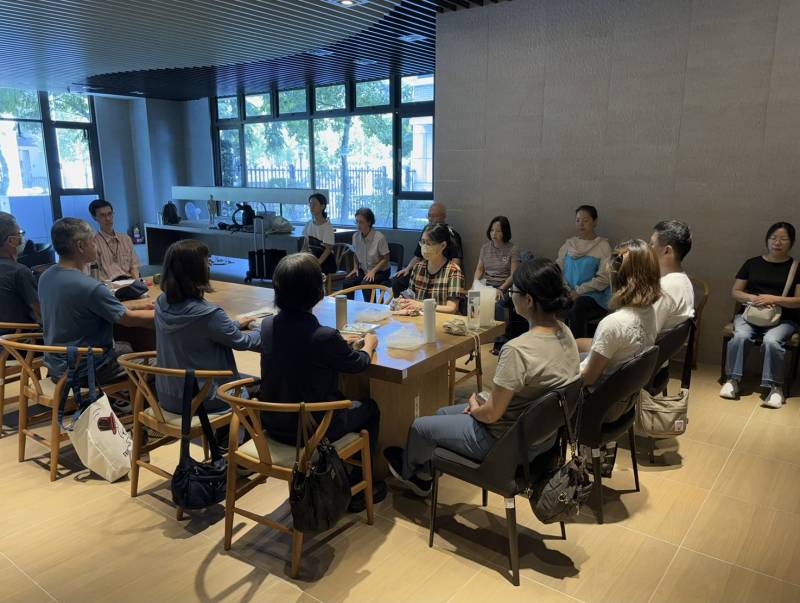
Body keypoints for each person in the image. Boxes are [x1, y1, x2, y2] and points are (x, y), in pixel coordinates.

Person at [383, 258, 580, 496]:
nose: (509, 296)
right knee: (442, 412)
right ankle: (427, 470)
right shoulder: (565, 332)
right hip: (541, 438)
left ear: (528, 300)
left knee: (420, 427)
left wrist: (477, 406)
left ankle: (413, 475)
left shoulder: (517, 350)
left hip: (503, 443)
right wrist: (484, 403)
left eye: (513, 292)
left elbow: (491, 414)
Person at [259, 253, 386, 510]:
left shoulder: (268, 325)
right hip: (313, 430)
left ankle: (341, 470)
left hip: (272, 424)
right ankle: (356, 486)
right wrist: (369, 344)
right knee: (370, 408)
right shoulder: (323, 336)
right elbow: (358, 364)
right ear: (316, 291)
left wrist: (341, 347)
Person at [38, 218, 154, 385]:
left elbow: (85, 309)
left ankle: (121, 396)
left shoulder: (46, 277)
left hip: (56, 365)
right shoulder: (89, 287)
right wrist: (163, 312)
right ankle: (139, 399)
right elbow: (128, 319)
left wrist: (138, 307)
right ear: (80, 246)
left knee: (125, 346)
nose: (96, 246)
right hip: (87, 370)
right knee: (159, 364)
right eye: (92, 241)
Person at [154, 239, 261, 415]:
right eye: (206, 262)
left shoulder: (161, 303)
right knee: (261, 385)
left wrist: (232, 324)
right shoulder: (209, 313)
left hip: (168, 396)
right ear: (196, 271)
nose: (209, 266)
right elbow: (243, 342)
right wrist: (264, 329)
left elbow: (201, 331)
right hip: (206, 400)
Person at [720, 222, 800, 408]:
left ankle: (776, 388)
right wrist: (754, 298)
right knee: (740, 336)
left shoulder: (796, 268)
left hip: (784, 319)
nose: (777, 242)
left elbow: (798, 301)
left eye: (783, 239)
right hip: (750, 315)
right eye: (773, 238)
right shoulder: (752, 263)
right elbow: (735, 292)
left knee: (772, 340)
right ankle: (732, 380)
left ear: (791, 242)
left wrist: (774, 299)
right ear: (767, 240)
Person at [578, 239, 660, 406]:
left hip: (599, 404)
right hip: (625, 398)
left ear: (616, 278)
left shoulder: (613, 323)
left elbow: (588, 378)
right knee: (575, 346)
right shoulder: (649, 311)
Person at [557, 205, 612, 338]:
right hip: (568, 290)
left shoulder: (603, 246)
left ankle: (578, 345)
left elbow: (604, 278)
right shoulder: (569, 244)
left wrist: (579, 291)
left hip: (593, 294)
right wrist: (566, 288)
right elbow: (558, 269)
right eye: (578, 220)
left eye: (585, 220)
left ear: (595, 222)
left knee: (579, 306)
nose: (581, 224)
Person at [391, 202, 464, 296]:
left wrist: (448, 274)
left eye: (434, 216)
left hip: (442, 270)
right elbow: (417, 256)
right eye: (429, 215)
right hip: (425, 269)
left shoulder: (452, 235)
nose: (430, 219)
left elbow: (456, 260)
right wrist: (408, 268)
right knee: (397, 281)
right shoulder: (426, 230)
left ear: (443, 216)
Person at [396, 223, 465, 315]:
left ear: (443, 245)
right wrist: (400, 301)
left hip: (441, 320)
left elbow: (452, 308)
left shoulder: (453, 271)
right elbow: (410, 295)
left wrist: (421, 305)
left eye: (429, 243)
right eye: (423, 242)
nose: (424, 247)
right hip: (419, 319)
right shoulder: (418, 267)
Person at [650, 220, 695, 334]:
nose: (648, 248)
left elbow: (646, 334)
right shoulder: (683, 280)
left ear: (667, 251)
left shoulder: (667, 287)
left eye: (652, 244)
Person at [0, 212, 40, 333]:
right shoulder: (19, 271)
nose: (23, 238)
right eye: (20, 234)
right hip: (20, 340)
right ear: (11, 241)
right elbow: (40, 313)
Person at [343, 207, 390, 299]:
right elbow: (355, 254)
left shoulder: (379, 237)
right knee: (347, 282)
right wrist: (355, 268)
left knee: (365, 284)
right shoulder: (355, 236)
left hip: (380, 271)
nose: (358, 225)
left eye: (361, 222)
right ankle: (348, 306)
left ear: (369, 222)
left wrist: (373, 271)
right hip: (364, 269)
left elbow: (386, 258)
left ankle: (372, 306)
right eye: (356, 222)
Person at [88, 198, 140, 281]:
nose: (108, 218)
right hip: (109, 285)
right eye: (102, 215)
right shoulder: (93, 243)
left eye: (110, 214)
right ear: (94, 218)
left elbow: (134, 266)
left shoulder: (125, 239)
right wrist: (111, 286)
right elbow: (96, 273)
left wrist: (136, 282)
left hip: (130, 282)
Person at [301, 193, 336, 274]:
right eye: (310, 204)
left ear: (322, 206)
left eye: (315, 204)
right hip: (312, 259)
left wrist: (317, 263)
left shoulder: (327, 226)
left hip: (325, 261)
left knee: (307, 273)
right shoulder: (308, 224)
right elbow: (305, 245)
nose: (312, 206)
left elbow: (328, 249)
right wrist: (300, 258)